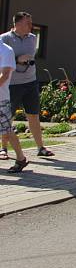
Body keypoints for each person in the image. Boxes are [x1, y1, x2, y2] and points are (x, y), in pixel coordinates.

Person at [0, 12, 54, 160]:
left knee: (33, 115)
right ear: (17, 24)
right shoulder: (4, 39)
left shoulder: (32, 38)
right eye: (27, 23)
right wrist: (18, 60)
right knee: (7, 118)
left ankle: (40, 147)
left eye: (31, 22)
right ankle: (3, 149)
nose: (31, 26)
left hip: (30, 82)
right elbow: (3, 61)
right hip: (12, 84)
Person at [0, 40, 27, 173]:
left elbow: (4, 75)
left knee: (7, 130)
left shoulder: (6, 51)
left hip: (1, 99)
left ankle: (21, 159)